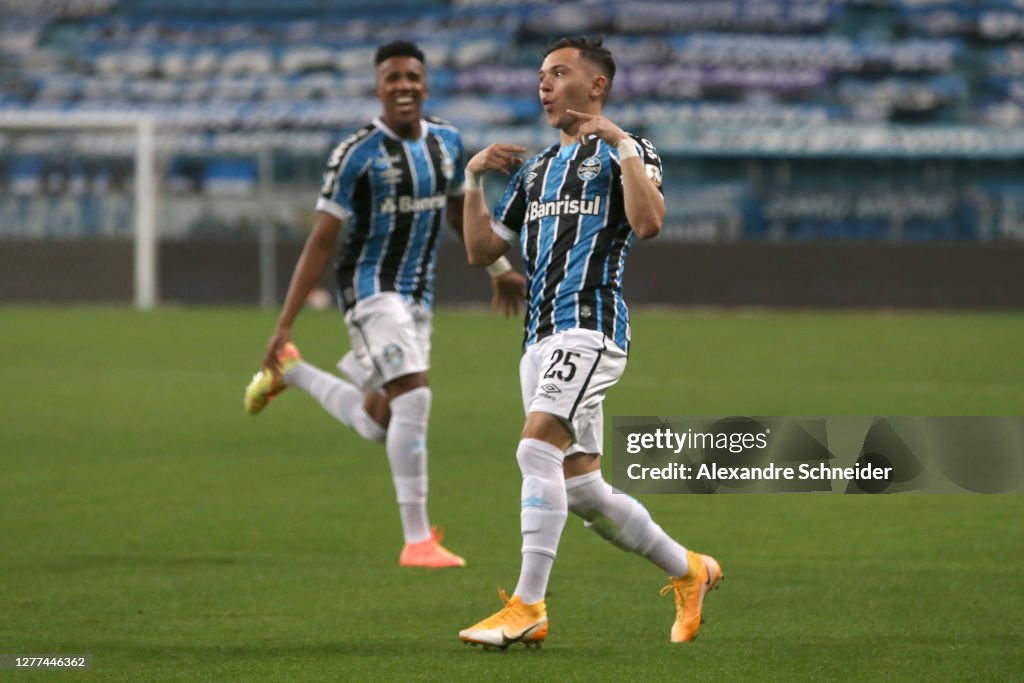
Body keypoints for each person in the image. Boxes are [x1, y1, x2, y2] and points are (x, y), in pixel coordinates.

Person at [457, 36, 723, 647]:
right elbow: (481, 251)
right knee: (582, 490)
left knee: (533, 452)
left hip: (591, 328)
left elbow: (649, 222)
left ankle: (528, 607)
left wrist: (621, 142)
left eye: (558, 73)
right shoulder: (536, 170)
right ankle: (688, 570)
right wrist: (473, 177)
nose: (544, 85)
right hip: (539, 338)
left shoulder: (628, 151)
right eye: (541, 76)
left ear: (596, 85)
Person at [243, 41, 526, 569]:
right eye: (393, 78)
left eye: (412, 77)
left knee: (379, 422)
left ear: (424, 82)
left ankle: (293, 373)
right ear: (378, 88)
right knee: (414, 399)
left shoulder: (446, 142)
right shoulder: (356, 154)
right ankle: (417, 539)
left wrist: (499, 268)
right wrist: (284, 322)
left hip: (417, 297)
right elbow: (322, 240)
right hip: (370, 293)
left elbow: (455, 215)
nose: (403, 86)